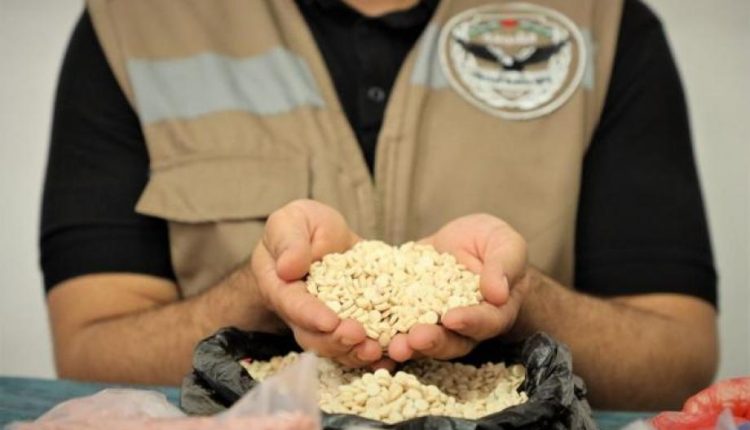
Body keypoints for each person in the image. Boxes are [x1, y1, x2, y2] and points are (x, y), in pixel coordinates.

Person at [41, 0, 718, 410]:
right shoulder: (132, 22)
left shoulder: (602, 21)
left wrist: (520, 297)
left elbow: (681, 361)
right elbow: (87, 355)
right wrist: (261, 292)